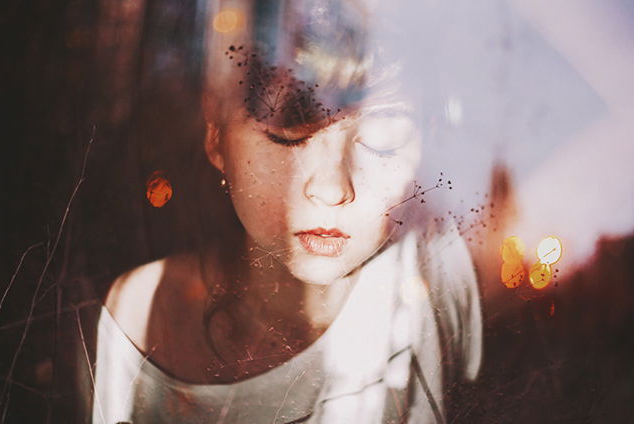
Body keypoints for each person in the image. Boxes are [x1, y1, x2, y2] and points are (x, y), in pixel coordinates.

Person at [92, 1, 482, 422]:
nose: (332, 189)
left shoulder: (433, 277)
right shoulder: (143, 314)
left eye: (382, 140)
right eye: (285, 135)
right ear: (216, 134)